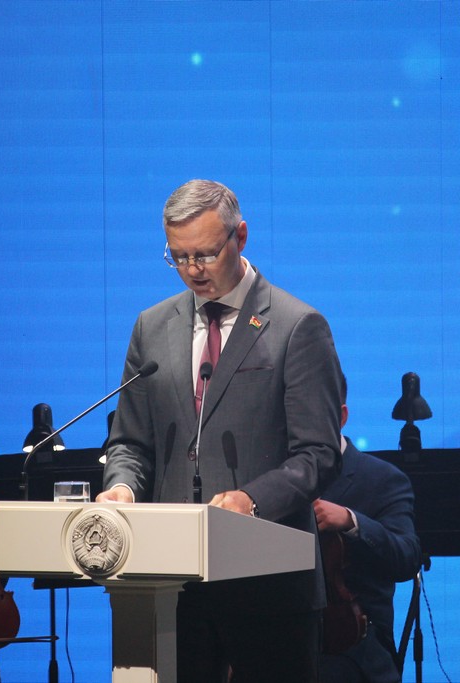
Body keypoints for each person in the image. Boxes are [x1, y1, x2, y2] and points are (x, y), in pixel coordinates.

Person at [97, 179, 344, 681]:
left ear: (241, 236)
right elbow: (130, 441)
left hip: (270, 587)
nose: (193, 269)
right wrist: (122, 488)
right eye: (178, 257)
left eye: (206, 254)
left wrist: (251, 500)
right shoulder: (151, 326)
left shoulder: (297, 326)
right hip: (170, 583)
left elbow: (318, 453)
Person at [315, 374, 421, 683]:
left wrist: (351, 521)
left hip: (355, 645)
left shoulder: (382, 479)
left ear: (342, 417)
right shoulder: (273, 479)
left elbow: (407, 557)